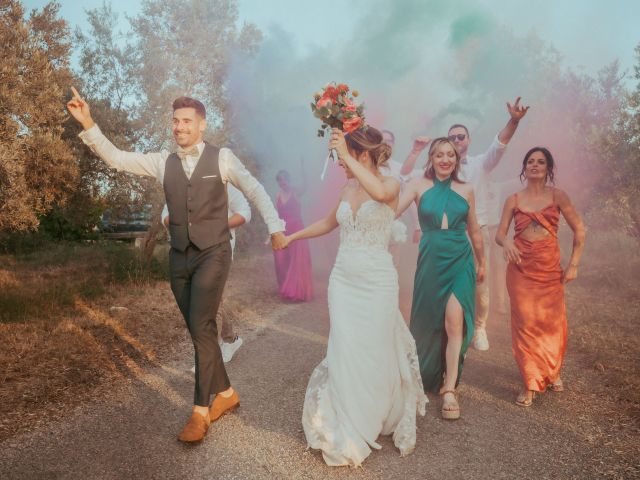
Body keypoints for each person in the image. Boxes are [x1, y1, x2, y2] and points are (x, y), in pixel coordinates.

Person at [66, 89, 286, 443]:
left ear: (201, 124)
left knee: (201, 325)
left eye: (186, 121)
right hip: (179, 257)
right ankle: (227, 394)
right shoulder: (162, 162)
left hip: (214, 252)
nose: (179, 127)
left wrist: (275, 227)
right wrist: (89, 123)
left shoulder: (223, 158)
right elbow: (117, 159)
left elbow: (256, 190)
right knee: (199, 330)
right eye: (175, 121)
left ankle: (200, 412)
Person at [284, 127, 426, 467]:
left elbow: (377, 192)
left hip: (377, 281)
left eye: (344, 157)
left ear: (362, 153)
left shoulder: (392, 185)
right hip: (343, 280)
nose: (339, 165)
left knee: (373, 348)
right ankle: (349, 417)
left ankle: (374, 412)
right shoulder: (347, 188)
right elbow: (327, 223)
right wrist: (293, 237)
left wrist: (345, 153)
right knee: (345, 346)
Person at [397, 137, 485, 420]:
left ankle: (449, 388)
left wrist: (482, 262)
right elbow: (391, 211)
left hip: (460, 258)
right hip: (431, 259)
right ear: (431, 159)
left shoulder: (467, 189)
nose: (445, 160)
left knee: (454, 321)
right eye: (439, 155)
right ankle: (426, 372)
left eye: (450, 155)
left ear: (457, 160)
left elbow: (475, 230)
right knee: (426, 320)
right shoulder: (418, 185)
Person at [495, 147, 585, 407]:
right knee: (525, 323)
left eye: (541, 162)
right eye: (530, 161)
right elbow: (500, 234)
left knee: (550, 322)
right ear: (524, 168)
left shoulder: (558, 196)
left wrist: (574, 264)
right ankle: (531, 382)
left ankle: (552, 370)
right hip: (520, 268)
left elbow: (579, 230)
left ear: (549, 168)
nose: (535, 165)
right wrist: (507, 244)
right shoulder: (513, 199)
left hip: (548, 268)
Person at [445, 98, 529, 351]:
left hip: (477, 231)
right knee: (450, 283)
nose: (457, 141)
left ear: (468, 141)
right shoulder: (439, 166)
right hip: (447, 233)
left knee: (480, 282)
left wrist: (514, 120)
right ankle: (452, 329)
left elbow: (500, 143)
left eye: (461, 137)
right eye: (452, 138)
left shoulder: (482, 163)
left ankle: (479, 328)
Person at [162, 182, 249, 363]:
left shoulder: (225, 184)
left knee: (208, 301)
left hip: (219, 250)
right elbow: (165, 215)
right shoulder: (181, 183)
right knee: (211, 299)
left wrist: (214, 227)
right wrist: (182, 222)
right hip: (190, 252)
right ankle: (230, 339)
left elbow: (244, 213)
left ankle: (209, 359)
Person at [273, 169, 313, 301]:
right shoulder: (278, 195)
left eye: (284, 181)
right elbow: (275, 215)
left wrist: (303, 168)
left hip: (297, 229)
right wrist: (272, 232)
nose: (282, 184)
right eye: (280, 182)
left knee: (297, 260)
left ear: (288, 181)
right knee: (280, 260)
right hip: (283, 229)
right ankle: (285, 288)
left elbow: (306, 186)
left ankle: (297, 292)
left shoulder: (295, 192)